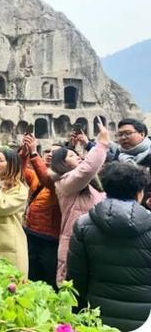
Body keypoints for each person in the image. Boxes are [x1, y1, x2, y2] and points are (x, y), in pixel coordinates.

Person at [67, 162, 151, 331]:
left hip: (98, 314)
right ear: (139, 192)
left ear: (106, 189)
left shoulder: (84, 224)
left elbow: (77, 277)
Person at [51, 122, 108, 286]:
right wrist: (101, 144)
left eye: (76, 154)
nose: (77, 156)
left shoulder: (89, 185)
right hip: (74, 242)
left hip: (93, 241)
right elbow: (88, 168)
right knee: (70, 289)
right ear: (61, 164)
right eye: (70, 156)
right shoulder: (65, 183)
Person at [19, 135, 61, 288]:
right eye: (48, 151)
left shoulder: (63, 178)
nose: (50, 154)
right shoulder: (36, 174)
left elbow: (47, 180)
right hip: (31, 231)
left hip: (50, 236)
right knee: (32, 273)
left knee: (48, 276)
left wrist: (33, 153)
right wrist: (24, 155)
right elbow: (20, 173)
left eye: (55, 153)